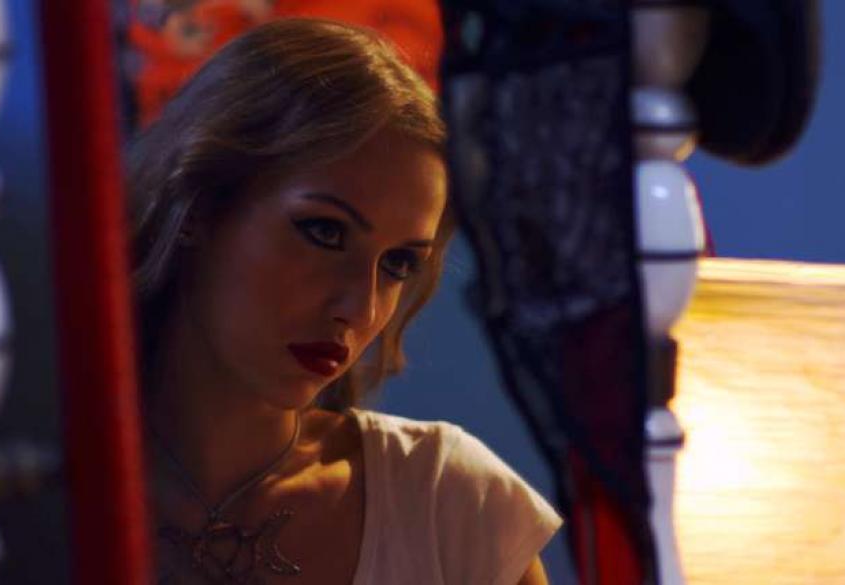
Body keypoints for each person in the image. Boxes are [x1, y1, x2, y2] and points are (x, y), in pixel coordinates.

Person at [127, 17, 562, 585]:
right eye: (325, 232)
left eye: (398, 264)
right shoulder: (44, 490)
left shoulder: (449, 503)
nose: (360, 309)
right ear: (200, 206)